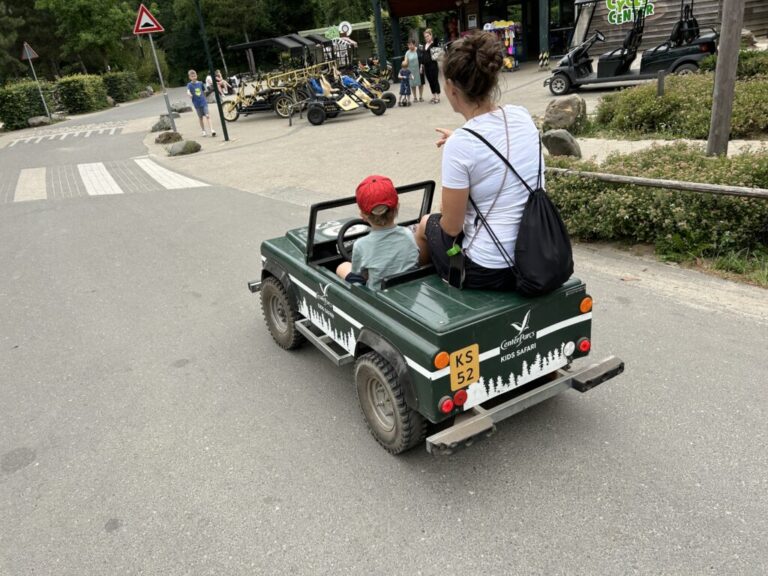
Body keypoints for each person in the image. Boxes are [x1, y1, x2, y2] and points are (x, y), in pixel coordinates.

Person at [413, 31, 543, 290]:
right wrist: (460, 142)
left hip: (488, 270)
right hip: (536, 254)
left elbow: (451, 227)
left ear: (450, 87)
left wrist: (459, 145)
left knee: (428, 223)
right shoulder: (521, 115)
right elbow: (498, 148)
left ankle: (423, 287)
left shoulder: (462, 145)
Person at [336, 175, 419, 290]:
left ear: (363, 216)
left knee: (343, 266)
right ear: (397, 207)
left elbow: (359, 275)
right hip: (407, 289)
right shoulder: (409, 234)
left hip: (377, 296)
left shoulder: (361, 245)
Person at [187, 70, 217, 137]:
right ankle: (203, 131)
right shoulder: (189, 85)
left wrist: (205, 98)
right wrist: (189, 94)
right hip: (196, 104)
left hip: (203, 102)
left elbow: (204, 91)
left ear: (196, 75)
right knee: (200, 117)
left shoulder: (200, 83)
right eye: (192, 76)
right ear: (189, 77)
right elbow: (188, 91)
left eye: (194, 76)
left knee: (207, 116)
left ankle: (212, 130)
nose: (194, 77)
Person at [422, 28, 442, 103]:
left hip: (433, 65)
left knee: (435, 80)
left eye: (428, 36)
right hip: (426, 66)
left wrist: (434, 37)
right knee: (430, 81)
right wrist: (422, 65)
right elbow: (423, 56)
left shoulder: (433, 44)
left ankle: (438, 96)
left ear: (431, 36)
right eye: (425, 37)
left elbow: (437, 40)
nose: (426, 38)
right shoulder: (424, 45)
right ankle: (433, 95)